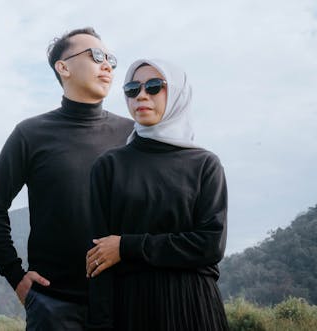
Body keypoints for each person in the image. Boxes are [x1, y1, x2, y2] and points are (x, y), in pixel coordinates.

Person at [0, 27, 133, 330]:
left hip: (125, 302)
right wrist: (15, 275)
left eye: (110, 59)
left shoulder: (132, 134)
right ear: (63, 67)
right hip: (53, 306)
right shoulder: (30, 134)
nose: (107, 65)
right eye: (96, 56)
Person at [85, 59, 229, 331]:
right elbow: (97, 259)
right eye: (132, 89)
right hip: (132, 309)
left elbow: (210, 245)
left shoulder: (204, 164)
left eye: (153, 86)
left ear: (177, 94)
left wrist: (126, 247)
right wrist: (99, 325)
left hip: (193, 307)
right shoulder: (109, 166)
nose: (141, 95)